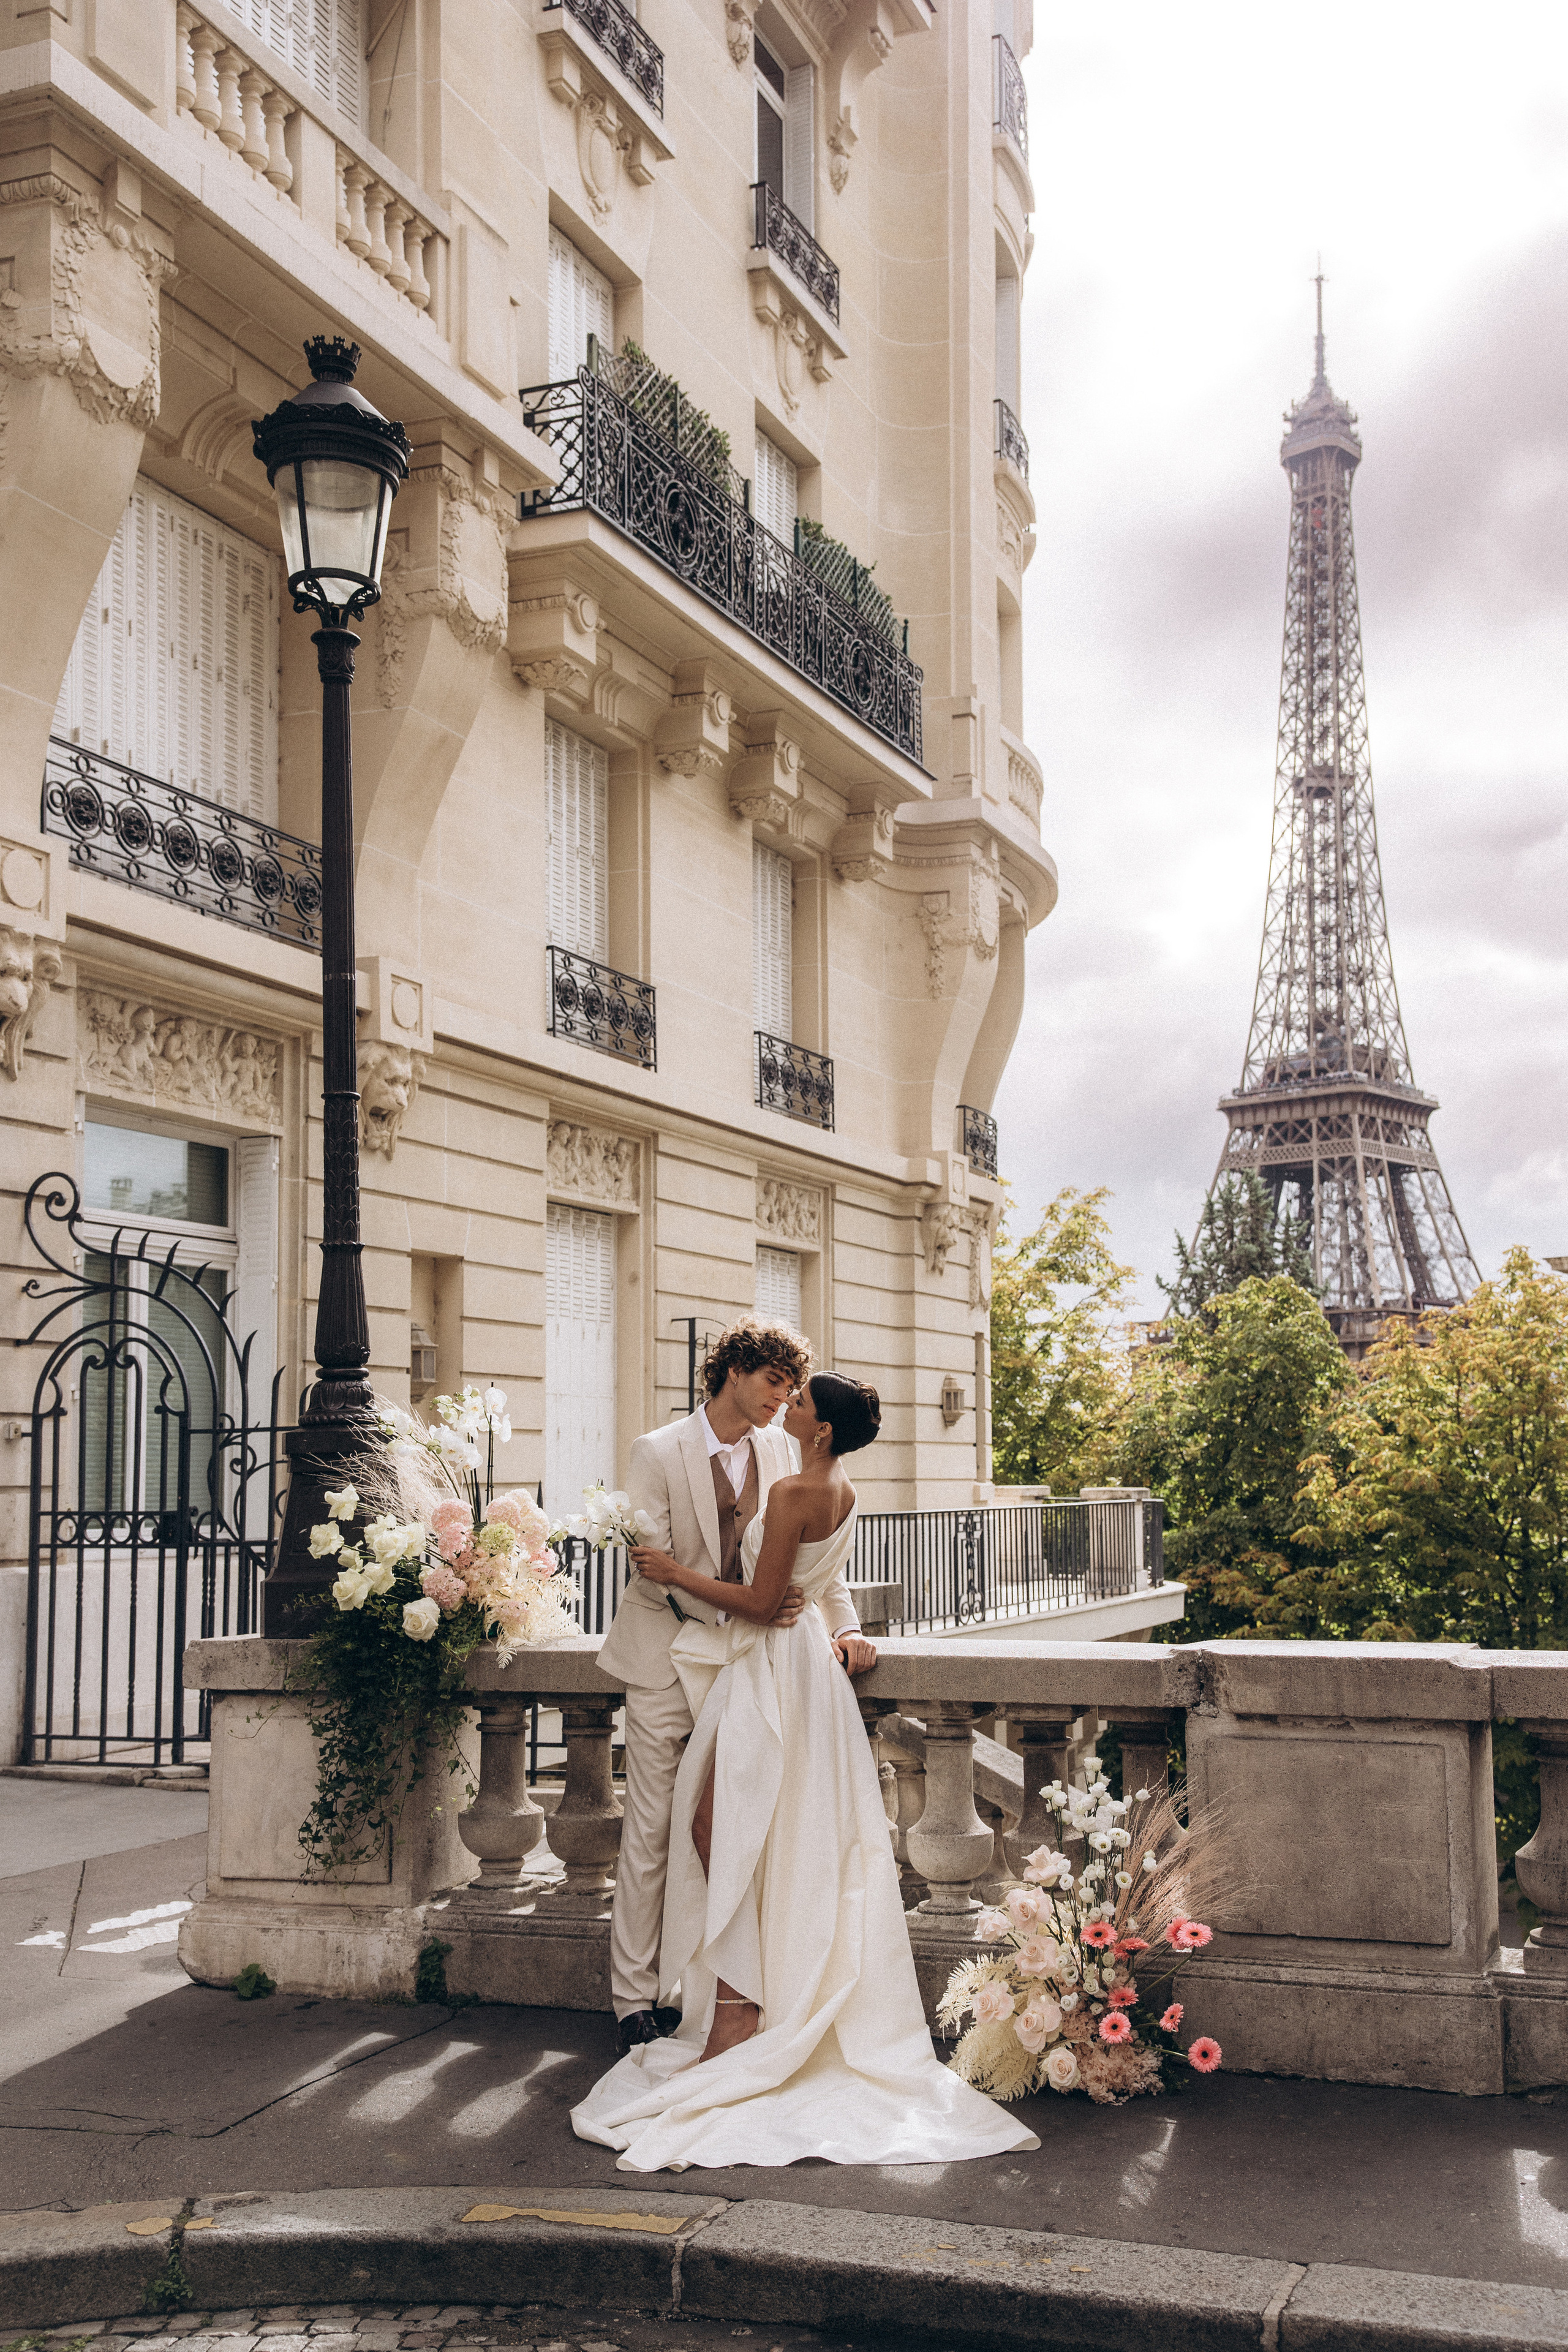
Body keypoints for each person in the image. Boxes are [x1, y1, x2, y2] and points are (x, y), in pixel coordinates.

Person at [571, 1371, 1039, 2171]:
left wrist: (671, 1572)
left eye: (800, 1406)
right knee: (758, 1830)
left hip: (773, 1672)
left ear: (820, 1430)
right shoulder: (839, 1483)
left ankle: (743, 2009)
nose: (785, 1409)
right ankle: (749, 2000)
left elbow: (761, 1602)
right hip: (797, 1671)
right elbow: (799, 1592)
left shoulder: (793, 1490)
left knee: (723, 1825)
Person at [595, 1320, 872, 2056]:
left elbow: (818, 1564)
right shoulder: (657, 1451)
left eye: (793, 1387)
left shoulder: (788, 1449)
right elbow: (651, 1569)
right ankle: (634, 1998)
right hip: (663, 1658)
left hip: (751, 1668)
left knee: (740, 1832)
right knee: (652, 1829)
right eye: (774, 1381)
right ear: (734, 1372)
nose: (784, 1398)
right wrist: (733, 1602)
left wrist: (844, 1627)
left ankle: (719, 1996)